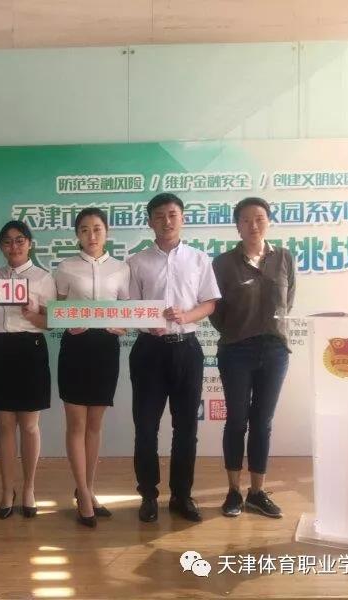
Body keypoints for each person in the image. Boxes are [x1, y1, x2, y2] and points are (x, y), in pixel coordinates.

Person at [127, 193, 220, 524]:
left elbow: (209, 303)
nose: (166, 221)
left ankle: (182, 495)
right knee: (145, 427)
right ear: (149, 221)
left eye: (172, 214)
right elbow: (130, 307)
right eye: (159, 215)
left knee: (186, 428)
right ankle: (148, 496)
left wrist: (187, 315)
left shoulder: (198, 259)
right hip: (149, 351)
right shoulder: (136, 262)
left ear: (182, 218)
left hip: (187, 349)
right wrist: (145, 321)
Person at [209, 197, 296, 519]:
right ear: (237, 226)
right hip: (236, 350)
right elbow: (215, 310)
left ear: (268, 221)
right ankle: (233, 490)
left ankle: (257, 492)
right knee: (236, 420)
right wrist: (238, 332)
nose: (253, 225)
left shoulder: (284, 257)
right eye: (245, 220)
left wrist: (269, 330)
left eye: (259, 218)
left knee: (263, 422)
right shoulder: (223, 263)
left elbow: (289, 300)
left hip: (275, 350)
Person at [54, 208, 129, 527]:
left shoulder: (121, 268)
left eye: (97, 228)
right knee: (76, 424)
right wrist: (66, 322)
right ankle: (83, 494)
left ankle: (88, 487)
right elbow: (56, 308)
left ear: (106, 232)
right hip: (76, 347)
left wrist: (121, 326)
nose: (91, 235)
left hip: (106, 349)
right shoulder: (66, 267)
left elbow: (127, 311)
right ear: (77, 235)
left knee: (95, 425)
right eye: (84, 229)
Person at [0, 221, 56, 519]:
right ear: (1, 247)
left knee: (29, 426)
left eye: (19, 240)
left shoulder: (43, 278)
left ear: (30, 243)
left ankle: (29, 488)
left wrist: (34, 313)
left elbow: (52, 322)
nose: (13, 246)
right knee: (5, 426)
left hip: (30, 349)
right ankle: (7, 490)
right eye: (7, 241)